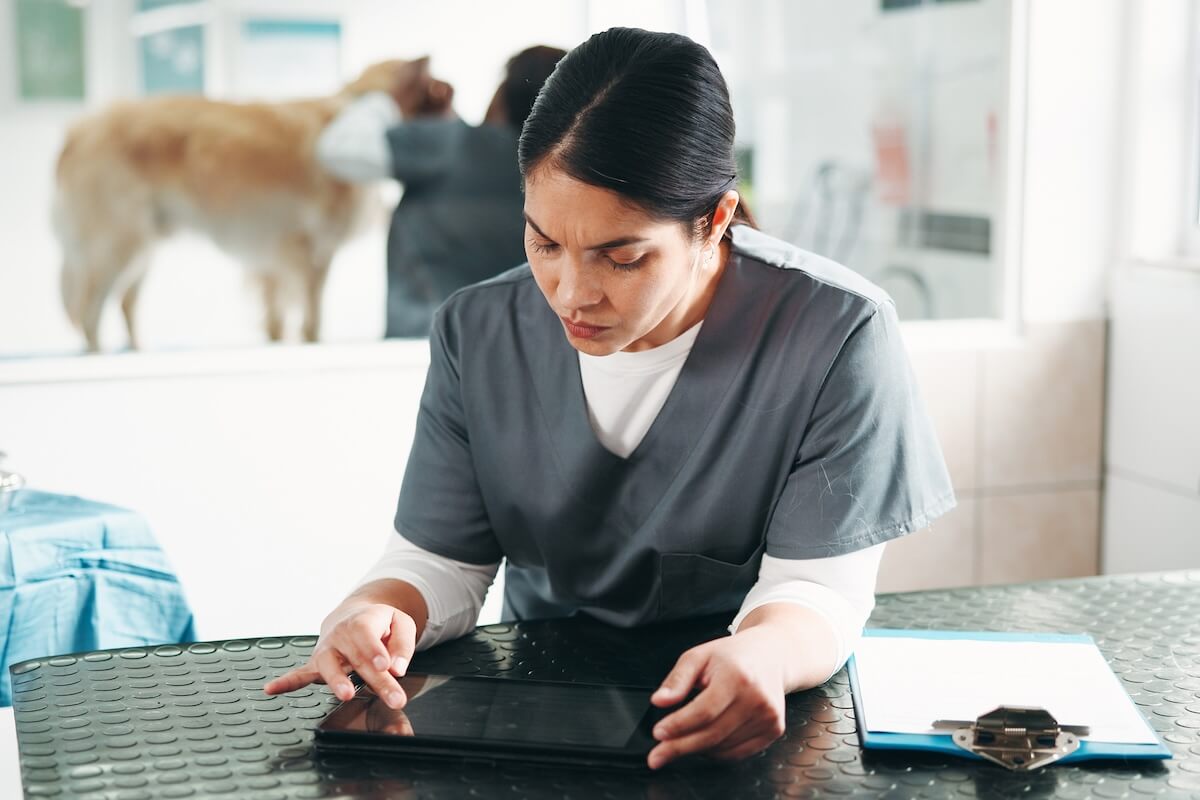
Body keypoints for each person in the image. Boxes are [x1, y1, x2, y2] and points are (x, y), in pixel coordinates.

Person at [268, 27, 955, 769]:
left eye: (622, 258)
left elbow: (819, 593)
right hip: (533, 719)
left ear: (716, 220)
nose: (571, 294)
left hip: (741, 723)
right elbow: (443, 561)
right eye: (544, 243)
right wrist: (379, 610)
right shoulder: (479, 331)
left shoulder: (834, 332)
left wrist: (763, 655)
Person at [317, 46, 566, 337]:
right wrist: (446, 122)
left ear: (502, 96)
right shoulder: (566, 170)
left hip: (425, 344)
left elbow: (339, 149)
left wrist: (392, 102)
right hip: (520, 345)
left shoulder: (448, 145)